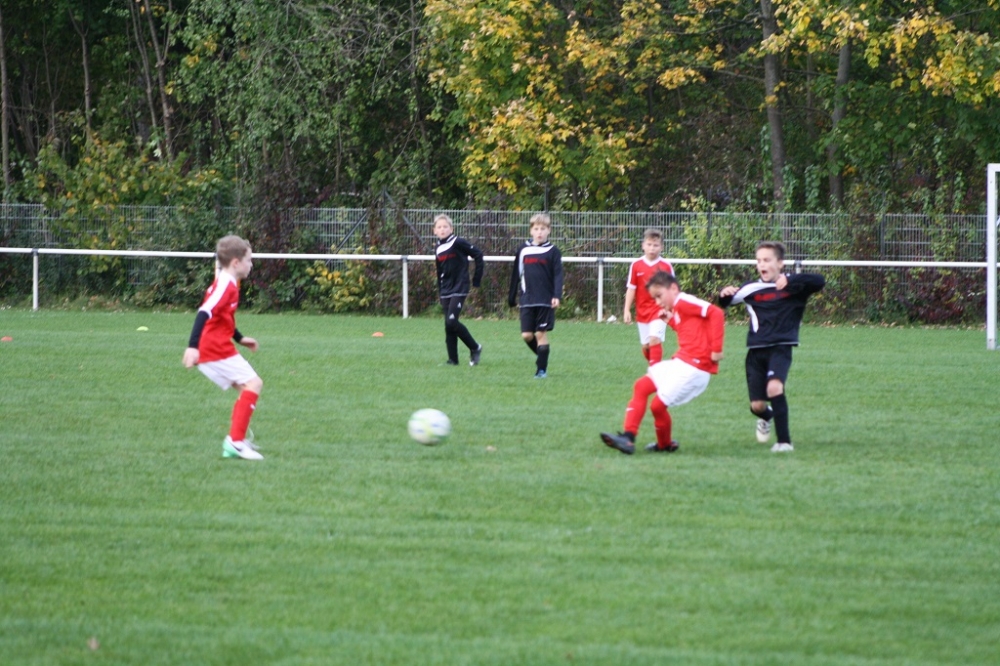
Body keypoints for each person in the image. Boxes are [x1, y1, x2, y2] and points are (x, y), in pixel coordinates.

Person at [718, 241, 825, 453]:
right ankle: (767, 416)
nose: (762, 264)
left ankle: (784, 442)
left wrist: (791, 279)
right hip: (756, 352)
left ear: (780, 263)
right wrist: (724, 293)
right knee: (757, 406)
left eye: (767, 260)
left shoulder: (794, 287)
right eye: (759, 261)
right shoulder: (751, 289)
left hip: (781, 348)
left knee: (775, 387)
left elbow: (819, 281)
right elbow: (724, 302)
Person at [601, 271, 725, 454]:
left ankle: (657, 443)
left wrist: (716, 350)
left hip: (695, 367)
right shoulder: (679, 307)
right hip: (682, 362)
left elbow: (716, 313)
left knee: (657, 405)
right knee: (642, 386)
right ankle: (632, 439)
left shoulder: (684, 301)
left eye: (659, 296)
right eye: (655, 298)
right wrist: (672, 321)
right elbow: (690, 331)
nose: (658, 302)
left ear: (673, 288)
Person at [182, 235, 264, 461]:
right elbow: (204, 312)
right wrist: (192, 346)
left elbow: (222, 317)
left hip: (215, 346)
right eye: (248, 260)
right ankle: (235, 442)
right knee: (254, 384)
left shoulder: (229, 282)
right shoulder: (225, 285)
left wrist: (240, 338)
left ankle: (236, 440)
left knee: (247, 389)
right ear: (236, 262)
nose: (251, 264)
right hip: (213, 348)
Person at [507, 213, 563, 378]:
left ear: (549, 230)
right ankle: (542, 356)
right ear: (531, 231)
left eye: (543, 229)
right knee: (527, 335)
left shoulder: (553, 251)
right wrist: (511, 296)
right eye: (536, 229)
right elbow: (516, 274)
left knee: (540, 333)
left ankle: (541, 370)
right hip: (527, 299)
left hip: (545, 299)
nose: (539, 232)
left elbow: (558, 275)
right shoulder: (523, 250)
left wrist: (556, 295)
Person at [433, 214, 484, 366]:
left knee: (452, 321)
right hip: (446, 289)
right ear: (434, 230)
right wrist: (440, 290)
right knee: (448, 325)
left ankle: (475, 347)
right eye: (439, 227)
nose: (442, 229)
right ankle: (453, 360)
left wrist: (476, 279)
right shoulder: (438, 247)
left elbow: (478, 255)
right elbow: (439, 270)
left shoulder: (457, 242)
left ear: (451, 229)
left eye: (445, 226)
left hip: (460, 286)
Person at [622, 228, 675, 365]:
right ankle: (656, 365)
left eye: (656, 245)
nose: (652, 248)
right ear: (643, 246)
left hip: (660, 310)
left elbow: (673, 290)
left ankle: (655, 372)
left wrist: (673, 309)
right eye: (649, 244)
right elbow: (631, 288)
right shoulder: (636, 265)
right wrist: (626, 310)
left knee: (654, 339)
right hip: (642, 311)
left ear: (661, 247)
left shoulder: (666, 266)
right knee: (647, 346)